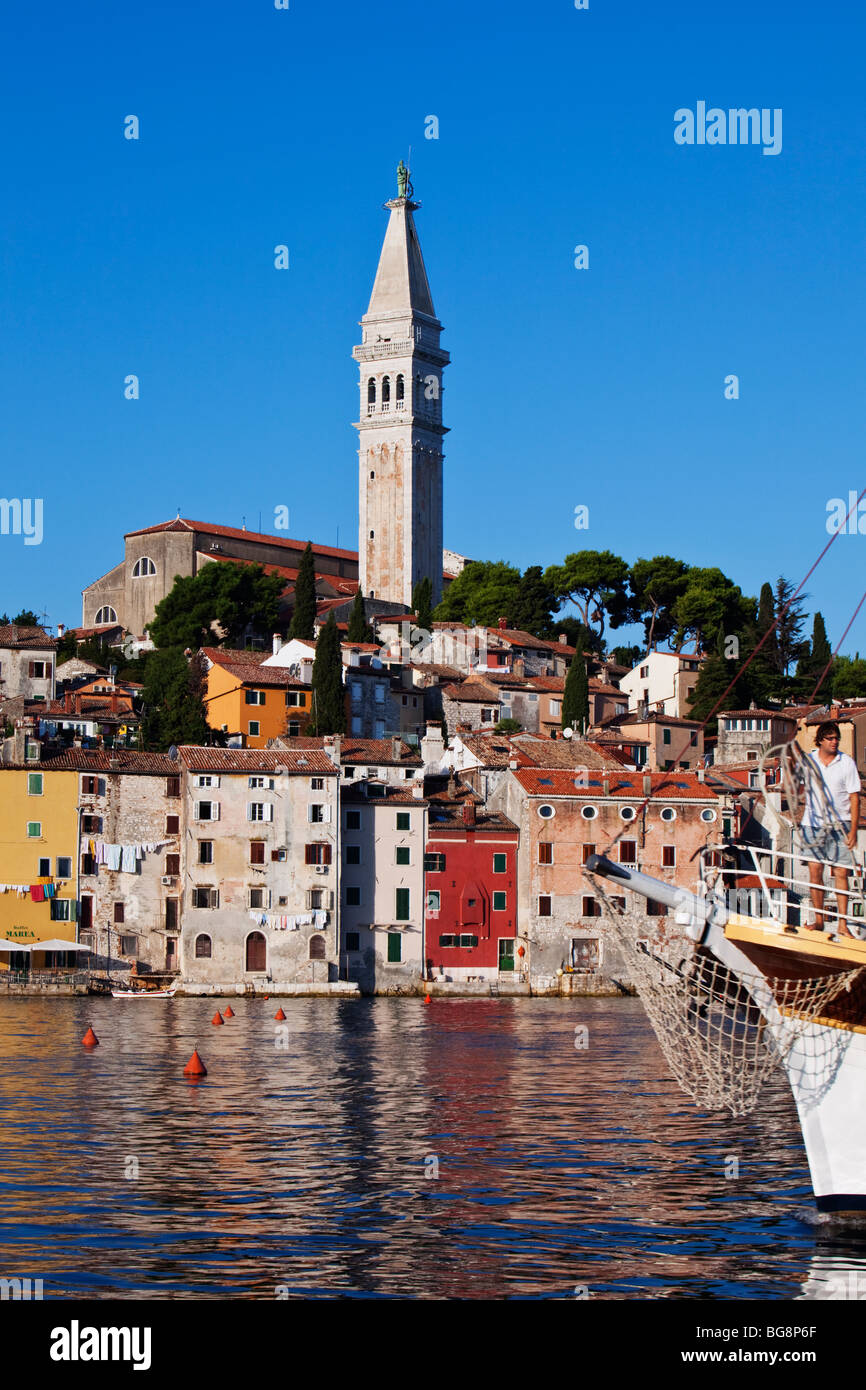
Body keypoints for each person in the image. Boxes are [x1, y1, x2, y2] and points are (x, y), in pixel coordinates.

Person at [800, 721, 861, 937]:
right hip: (812, 824)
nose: (835, 741)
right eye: (830, 738)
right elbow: (794, 783)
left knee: (841, 872)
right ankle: (819, 920)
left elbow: (855, 798)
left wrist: (853, 830)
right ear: (820, 741)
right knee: (815, 872)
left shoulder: (847, 763)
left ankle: (843, 925)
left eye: (837, 738)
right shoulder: (809, 761)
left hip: (840, 824)